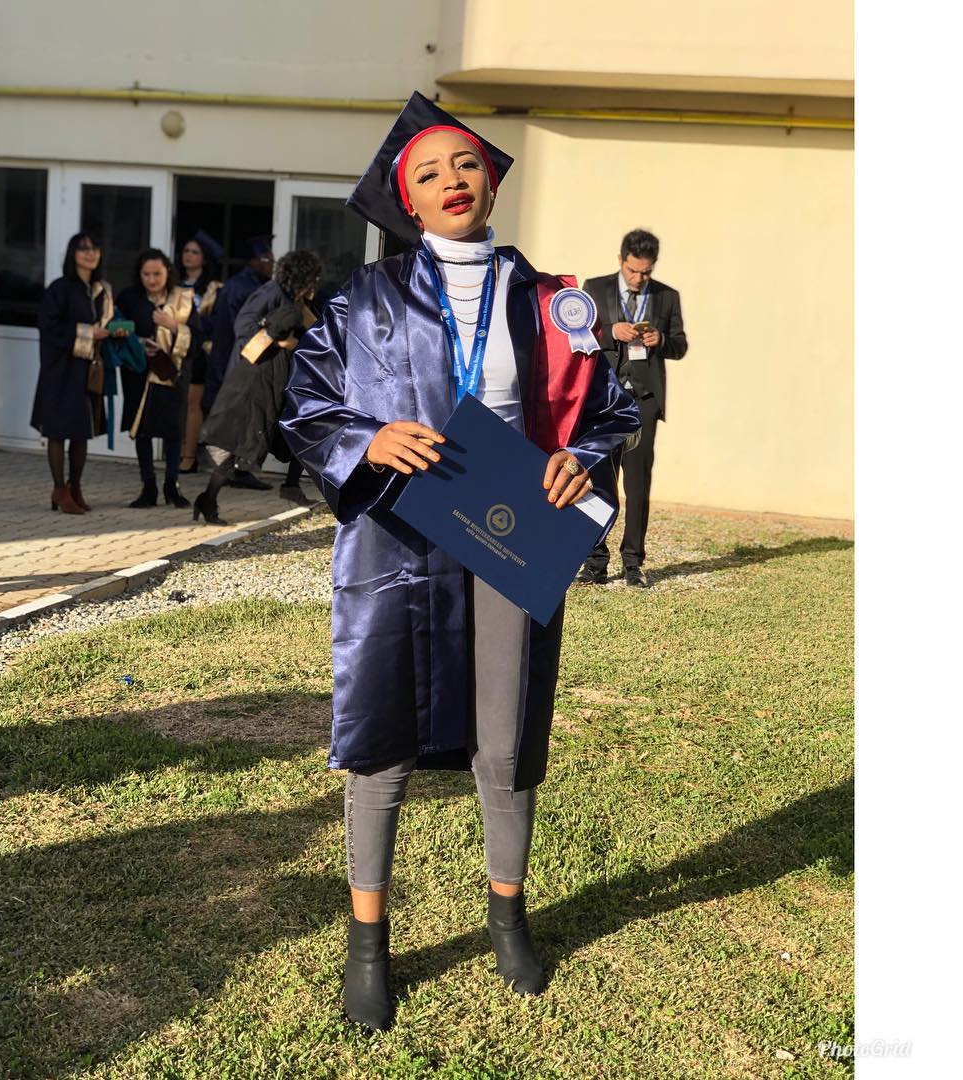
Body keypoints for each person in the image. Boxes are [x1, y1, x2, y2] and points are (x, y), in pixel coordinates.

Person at [278, 92, 641, 1032]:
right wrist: (366, 439)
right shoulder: (365, 298)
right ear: (406, 198)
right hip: (400, 531)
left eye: (467, 164)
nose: (451, 180)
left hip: (512, 524)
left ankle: (507, 917)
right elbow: (306, 406)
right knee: (382, 735)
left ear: (492, 182)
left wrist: (581, 456)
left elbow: (611, 407)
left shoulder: (550, 297)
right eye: (429, 171)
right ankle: (368, 943)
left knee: (506, 734)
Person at [579, 229, 689, 587]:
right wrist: (612, 331)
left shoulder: (667, 296)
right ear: (621, 260)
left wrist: (662, 340)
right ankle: (595, 563)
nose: (639, 279)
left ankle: (633, 563)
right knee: (600, 483)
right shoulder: (595, 288)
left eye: (646, 272)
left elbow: (680, 346)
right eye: (633, 271)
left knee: (638, 486)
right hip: (604, 402)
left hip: (644, 402)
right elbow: (578, 335)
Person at [193, 250, 322, 524]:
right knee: (237, 443)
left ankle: (290, 486)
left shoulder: (293, 298)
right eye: (312, 277)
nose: (315, 283)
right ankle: (208, 500)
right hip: (256, 380)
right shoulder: (272, 293)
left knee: (302, 429)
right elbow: (244, 327)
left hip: (278, 379)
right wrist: (281, 341)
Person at [31, 232, 116, 514]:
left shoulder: (99, 290)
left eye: (94, 248)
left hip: (87, 368)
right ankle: (59, 488)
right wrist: (88, 332)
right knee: (57, 430)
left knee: (82, 430)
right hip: (60, 368)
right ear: (73, 254)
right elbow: (48, 327)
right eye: (83, 249)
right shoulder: (60, 288)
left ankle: (75, 486)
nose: (90, 253)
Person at [116, 249, 202, 508]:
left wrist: (172, 325)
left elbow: (197, 340)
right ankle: (148, 486)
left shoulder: (182, 299)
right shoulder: (129, 298)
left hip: (172, 373)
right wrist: (139, 343)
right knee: (141, 429)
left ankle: (172, 485)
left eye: (157, 274)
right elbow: (117, 327)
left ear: (168, 272)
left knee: (173, 431)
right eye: (146, 274)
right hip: (139, 372)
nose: (152, 279)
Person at [200, 236, 274, 418]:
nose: (272, 265)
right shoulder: (252, 289)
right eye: (269, 260)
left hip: (222, 361)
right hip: (234, 362)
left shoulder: (238, 284)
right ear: (256, 260)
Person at [176, 229, 224, 474]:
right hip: (174, 349)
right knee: (177, 402)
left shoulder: (214, 289)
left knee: (192, 403)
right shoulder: (174, 283)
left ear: (204, 258)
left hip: (199, 352)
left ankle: (189, 455)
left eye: (194, 252)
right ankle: (177, 450)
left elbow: (217, 323)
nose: (188, 255)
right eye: (186, 251)